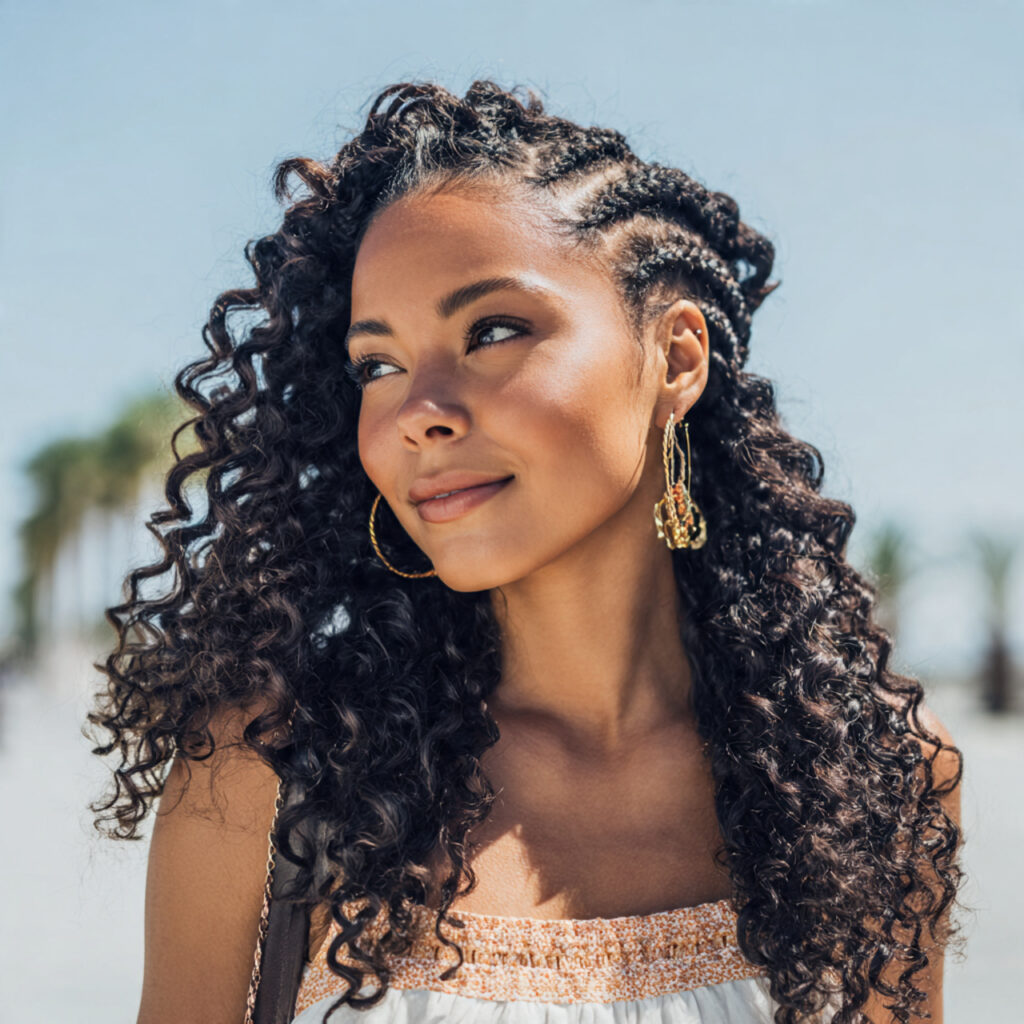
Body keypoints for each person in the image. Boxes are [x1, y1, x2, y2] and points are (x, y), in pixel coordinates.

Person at [86, 79, 965, 1024]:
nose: (419, 413)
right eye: (378, 365)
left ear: (675, 361)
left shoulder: (873, 783)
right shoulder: (268, 771)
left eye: (493, 332)